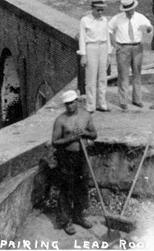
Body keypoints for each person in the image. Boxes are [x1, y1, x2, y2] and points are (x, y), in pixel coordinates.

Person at [51, 90, 98, 235]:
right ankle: (66, 220)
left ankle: (78, 216)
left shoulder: (86, 116)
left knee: (82, 187)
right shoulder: (61, 120)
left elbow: (94, 134)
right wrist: (71, 137)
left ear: (77, 101)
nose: (70, 106)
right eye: (67, 104)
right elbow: (55, 141)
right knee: (66, 188)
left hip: (82, 156)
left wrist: (85, 134)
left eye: (72, 103)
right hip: (66, 157)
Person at [108, 0, 153, 109]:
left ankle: (137, 99)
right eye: (126, 11)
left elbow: (149, 28)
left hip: (137, 47)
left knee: (137, 74)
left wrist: (147, 29)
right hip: (123, 48)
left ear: (134, 8)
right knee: (123, 75)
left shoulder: (140, 17)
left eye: (131, 10)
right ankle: (123, 101)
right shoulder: (117, 18)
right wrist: (114, 44)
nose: (129, 12)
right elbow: (108, 30)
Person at [78, 0, 111, 113]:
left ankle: (102, 104)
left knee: (102, 77)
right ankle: (90, 105)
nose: (100, 12)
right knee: (91, 78)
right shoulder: (85, 20)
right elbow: (82, 38)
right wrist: (83, 55)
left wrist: (108, 54)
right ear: (92, 9)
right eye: (98, 10)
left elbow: (107, 37)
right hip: (91, 47)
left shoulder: (104, 20)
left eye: (102, 10)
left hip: (103, 47)